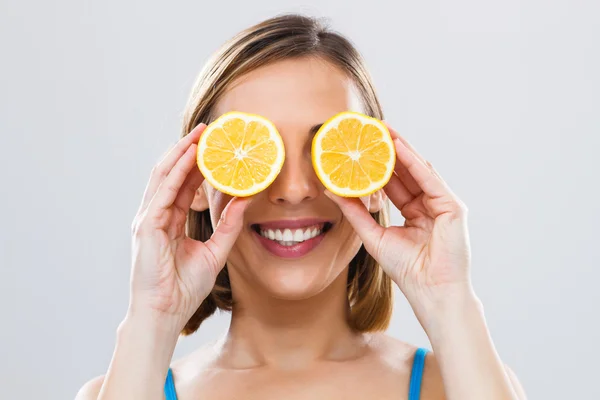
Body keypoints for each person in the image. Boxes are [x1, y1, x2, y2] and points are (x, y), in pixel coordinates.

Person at [76, 13, 527, 400]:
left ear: (375, 175)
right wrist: (152, 316)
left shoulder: (460, 386)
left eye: (325, 152)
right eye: (254, 153)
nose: (292, 190)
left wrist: (450, 299)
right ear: (197, 179)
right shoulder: (123, 387)